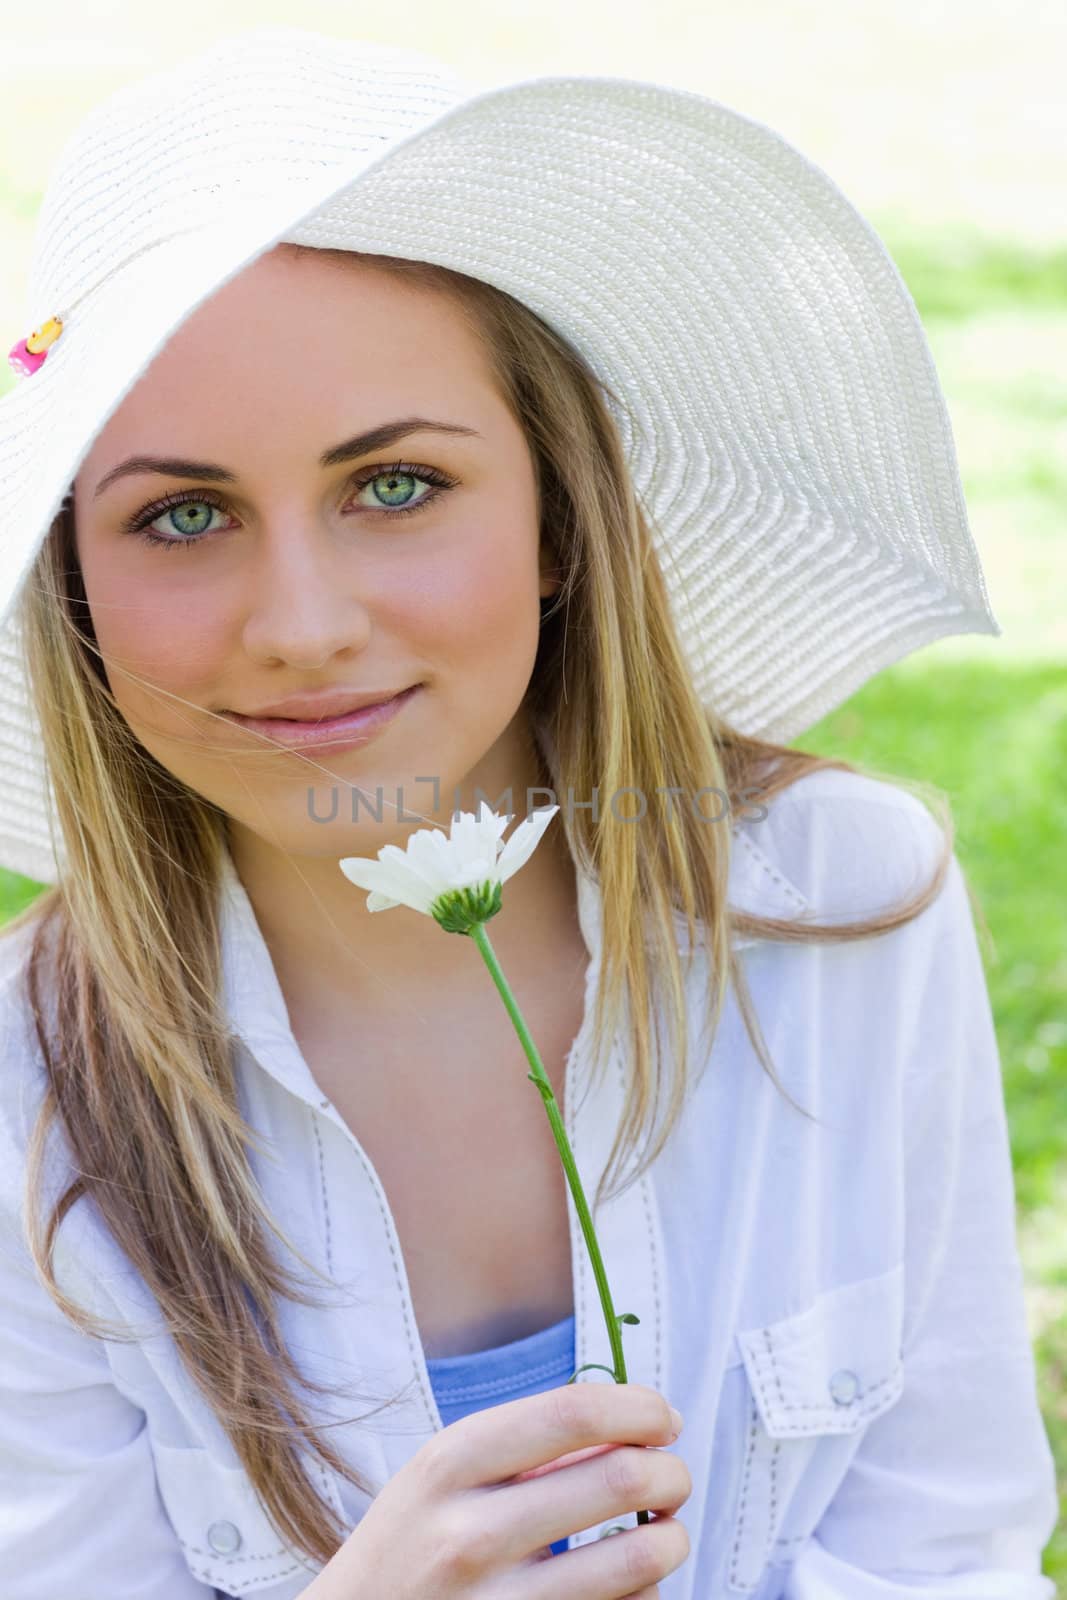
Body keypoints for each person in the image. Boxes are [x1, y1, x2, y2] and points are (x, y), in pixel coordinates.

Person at [0, 26, 1057, 1600]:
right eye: (184, 516)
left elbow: (944, 1547)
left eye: (397, 485)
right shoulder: (30, 1092)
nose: (301, 623)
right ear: (76, 594)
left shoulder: (844, 906)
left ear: (561, 523)